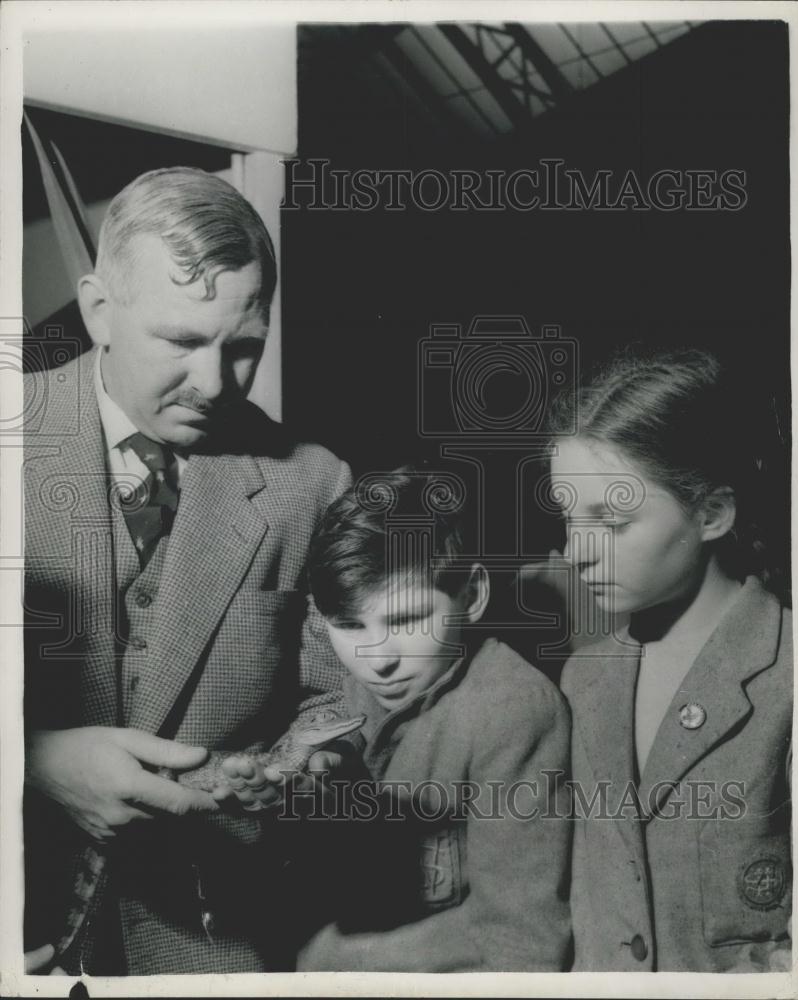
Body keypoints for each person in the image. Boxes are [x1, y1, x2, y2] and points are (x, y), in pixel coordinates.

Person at [23, 167, 353, 975]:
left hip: (209, 947)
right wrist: (32, 762)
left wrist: (296, 770)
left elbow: (344, 707)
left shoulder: (312, 482)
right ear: (100, 310)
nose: (214, 385)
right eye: (181, 341)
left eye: (243, 348)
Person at [250, 468, 571, 972]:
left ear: (472, 594)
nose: (378, 659)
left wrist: (347, 961)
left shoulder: (514, 709)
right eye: (350, 625)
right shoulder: (363, 682)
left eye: (405, 620)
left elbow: (521, 938)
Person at [548, 347, 792, 971]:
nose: (577, 554)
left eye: (612, 522)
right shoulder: (582, 678)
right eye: (570, 522)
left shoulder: (789, 674)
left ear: (712, 514)